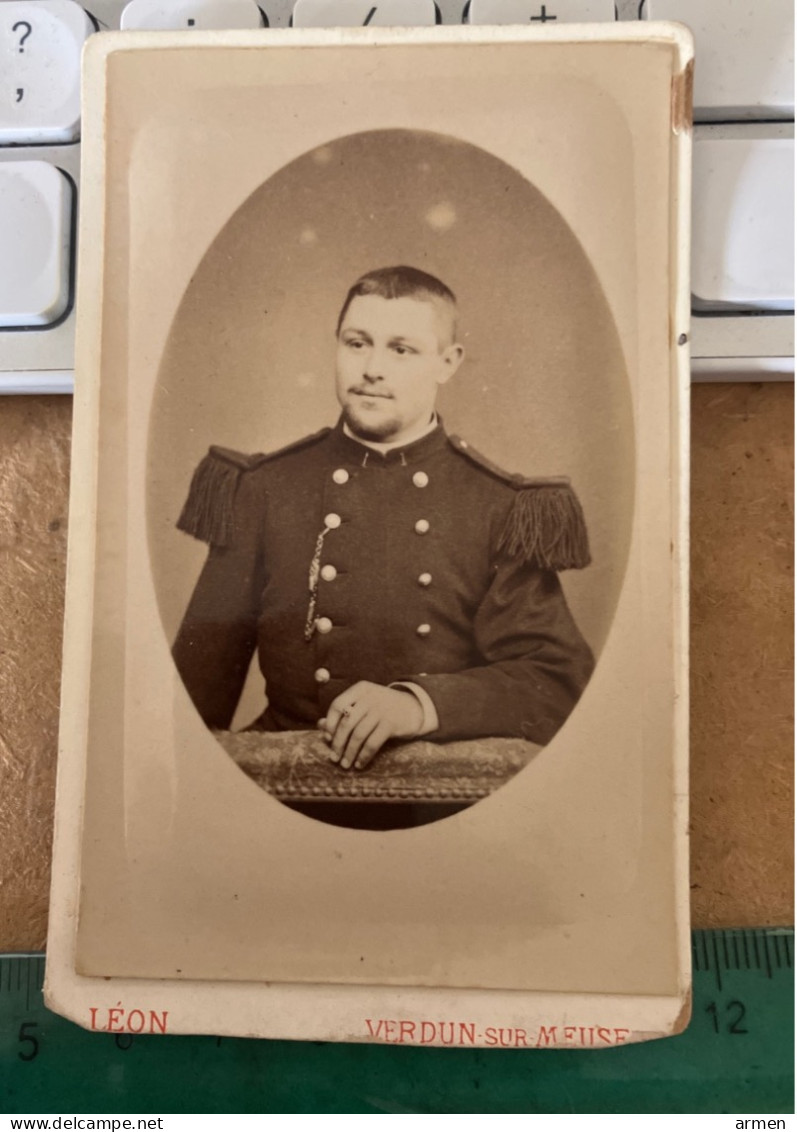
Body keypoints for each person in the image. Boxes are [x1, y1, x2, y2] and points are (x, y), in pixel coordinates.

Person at [173, 265, 594, 774]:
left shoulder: (500, 506)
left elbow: (556, 684)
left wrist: (419, 704)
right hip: (289, 783)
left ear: (447, 362)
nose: (372, 368)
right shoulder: (263, 489)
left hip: (439, 800)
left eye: (401, 349)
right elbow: (190, 707)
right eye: (357, 343)